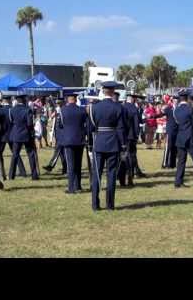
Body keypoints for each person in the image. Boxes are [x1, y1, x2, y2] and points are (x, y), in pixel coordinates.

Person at [88, 81, 126, 211]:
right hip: (113, 143)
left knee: (97, 175)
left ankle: (95, 204)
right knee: (111, 175)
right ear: (113, 90)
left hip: (99, 142)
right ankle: (110, 205)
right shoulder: (118, 107)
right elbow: (121, 128)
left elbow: (91, 127)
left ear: (103, 91)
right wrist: (123, 145)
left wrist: (90, 143)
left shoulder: (95, 107)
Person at [59, 93, 88, 194]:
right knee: (78, 164)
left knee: (70, 165)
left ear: (68, 99)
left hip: (68, 140)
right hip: (79, 139)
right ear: (75, 99)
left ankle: (71, 187)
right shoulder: (82, 110)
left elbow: (60, 125)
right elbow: (86, 125)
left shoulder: (63, 110)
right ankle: (78, 185)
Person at [8, 94, 39, 181]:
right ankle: (34, 175)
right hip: (26, 134)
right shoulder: (27, 110)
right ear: (24, 100)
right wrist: (32, 132)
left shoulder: (12, 110)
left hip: (16, 134)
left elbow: (11, 121)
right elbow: (29, 124)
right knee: (31, 155)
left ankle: (11, 175)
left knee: (15, 155)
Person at [0, 95, 27, 181]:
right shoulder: (12, 109)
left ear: (4, 100)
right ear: (10, 100)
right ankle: (22, 171)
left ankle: (0, 171)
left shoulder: (1, 110)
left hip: (2, 134)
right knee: (15, 154)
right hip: (11, 133)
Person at [118, 93, 142, 187]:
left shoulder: (122, 107)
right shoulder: (133, 108)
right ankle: (130, 175)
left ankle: (122, 176)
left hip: (123, 135)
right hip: (131, 136)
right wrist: (136, 135)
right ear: (132, 99)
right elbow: (136, 123)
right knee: (131, 156)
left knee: (123, 157)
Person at [43, 98, 67, 174]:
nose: (58, 105)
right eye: (57, 104)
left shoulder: (64, 111)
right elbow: (51, 118)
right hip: (57, 135)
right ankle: (65, 169)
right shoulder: (57, 110)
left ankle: (50, 166)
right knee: (62, 153)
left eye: (59, 103)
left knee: (57, 151)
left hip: (62, 135)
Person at [161, 95, 178, 169]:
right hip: (170, 130)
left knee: (175, 148)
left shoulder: (179, 109)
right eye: (174, 100)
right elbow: (161, 114)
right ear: (172, 101)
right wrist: (152, 116)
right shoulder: (168, 109)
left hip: (177, 131)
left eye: (177, 100)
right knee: (168, 147)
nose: (176, 101)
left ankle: (172, 163)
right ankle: (165, 163)